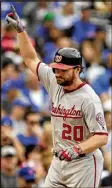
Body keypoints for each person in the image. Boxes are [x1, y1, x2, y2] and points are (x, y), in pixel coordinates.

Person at [6, 5, 108, 188]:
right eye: (55, 68)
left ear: (77, 70)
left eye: (63, 70)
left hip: (83, 163)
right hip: (59, 160)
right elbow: (30, 59)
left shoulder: (89, 98)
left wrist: (76, 149)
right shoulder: (54, 80)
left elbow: (101, 137)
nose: (57, 73)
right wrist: (21, 32)